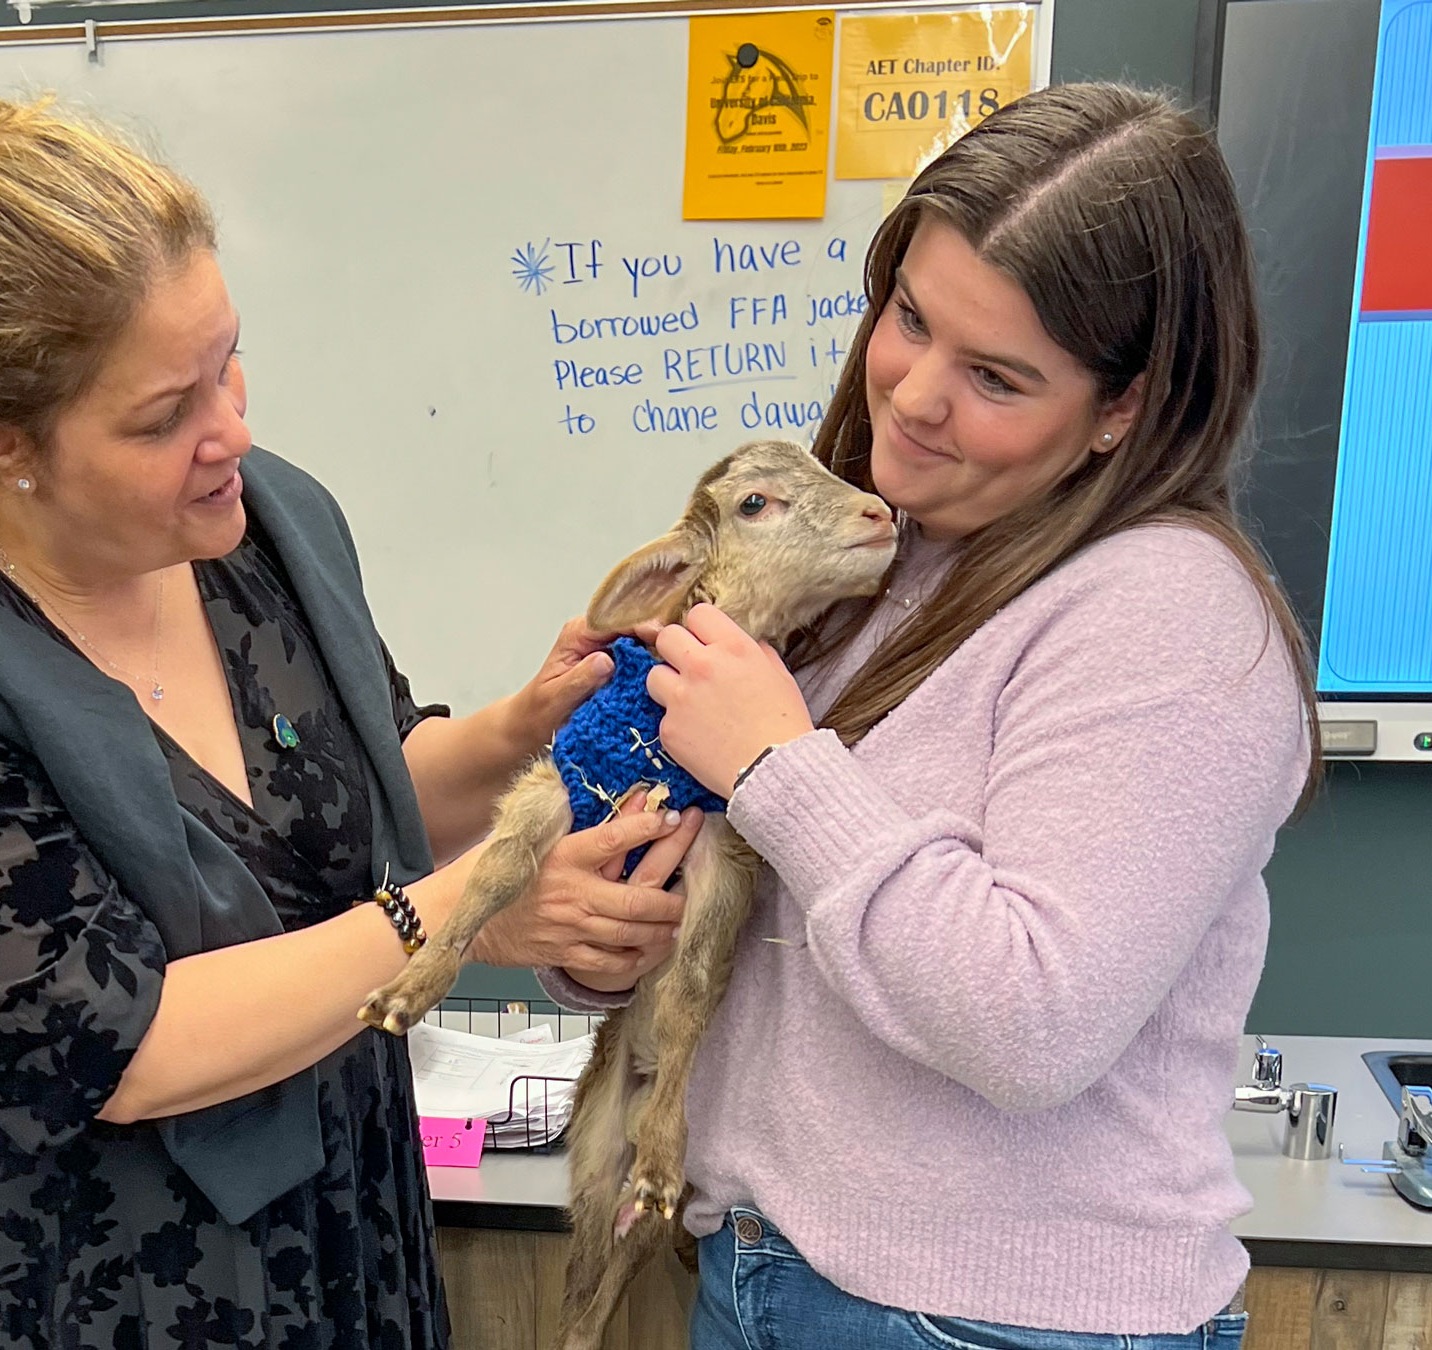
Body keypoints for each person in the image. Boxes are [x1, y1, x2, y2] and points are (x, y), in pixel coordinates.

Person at [0, 29, 700, 1350]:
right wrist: (475, 910)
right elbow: (128, 1045)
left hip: (336, 1236)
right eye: (162, 413)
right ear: (3, 442)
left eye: (226, 358)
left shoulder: (258, 533)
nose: (229, 426)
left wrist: (525, 731)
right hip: (84, 1282)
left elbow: (347, 801)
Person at [559, 83, 1319, 1347]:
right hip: (769, 1276)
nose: (911, 396)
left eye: (996, 377)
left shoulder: (1173, 614)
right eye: (909, 317)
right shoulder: (878, 563)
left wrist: (774, 764)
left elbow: (1030, 1022)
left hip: (983, 1321)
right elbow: (780, 939)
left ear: (1122, 407)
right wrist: (608, 936)